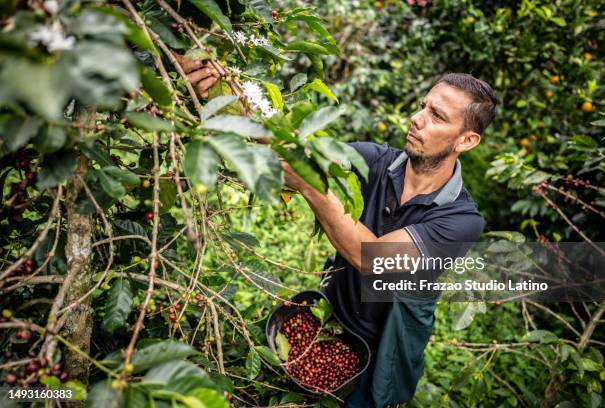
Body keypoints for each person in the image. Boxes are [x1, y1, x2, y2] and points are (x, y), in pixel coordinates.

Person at [177, 57, 498, 406]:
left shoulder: (462, 220)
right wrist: (228, 99)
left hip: (383, 354)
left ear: (466, 140)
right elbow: (298, 154)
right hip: (327, 323)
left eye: (437, 117)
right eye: (423, 107)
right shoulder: (373, 161)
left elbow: (371, 257)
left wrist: (312, 187)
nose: (417, 119)